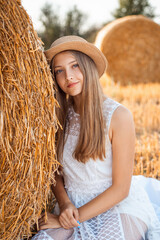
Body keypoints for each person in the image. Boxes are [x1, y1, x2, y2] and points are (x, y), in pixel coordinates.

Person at [32, 35, 160, 240]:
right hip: (72, 204)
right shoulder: (58, 117)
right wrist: (64, 205)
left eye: (75, 66)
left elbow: (120, 190)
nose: (69, 76)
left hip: (116, 205)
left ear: (88, 67)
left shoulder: (118, 116)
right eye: (59, 71)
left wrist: (68, 220)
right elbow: (53, 171)